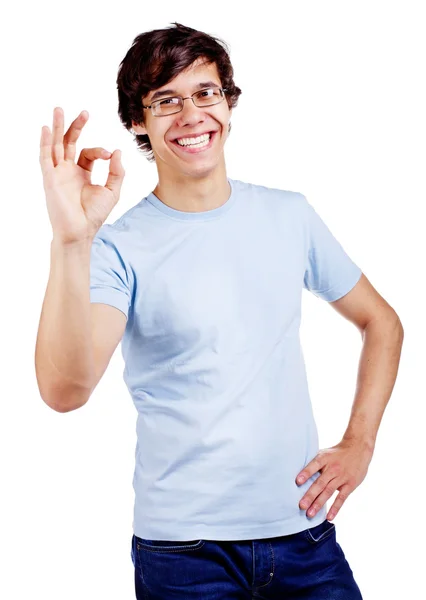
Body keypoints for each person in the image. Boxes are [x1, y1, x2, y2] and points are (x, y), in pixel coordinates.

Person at [36, 21, 404, 600]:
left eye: (206, 93)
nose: (191, 115)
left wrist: (360, 441)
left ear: (228, 104)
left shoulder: (290, 216)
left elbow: (382, 322)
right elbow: (66, 390)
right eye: (166, 101)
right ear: (138, 121)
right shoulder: (118, 246)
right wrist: (71, 242)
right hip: (184, 555)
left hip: (305, 537)